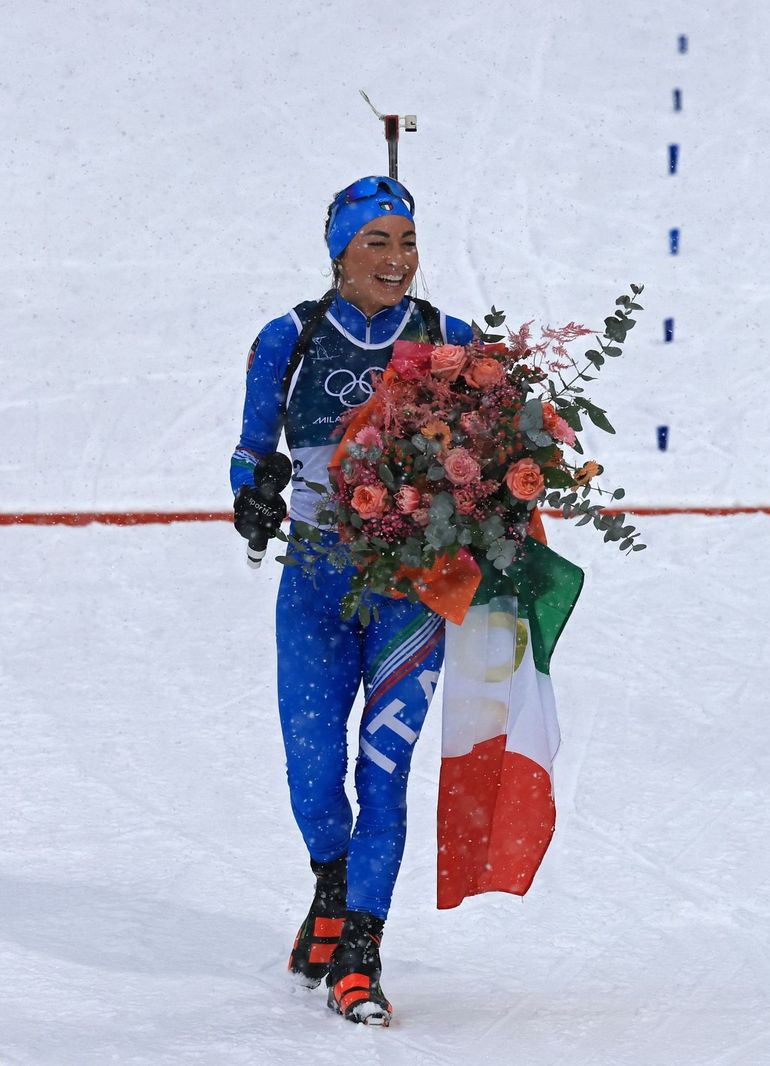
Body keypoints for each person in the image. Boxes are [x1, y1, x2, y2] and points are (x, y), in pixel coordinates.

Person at [230, 176, 474, 1026]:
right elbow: (252, 450)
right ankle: (329, 889)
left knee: (387, 771)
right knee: (311, 773)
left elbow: (493, 456)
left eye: (408, 240)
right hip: (316, 583)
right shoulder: (288, 339)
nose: (398, 258)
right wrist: (252, 494)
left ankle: (361, 951)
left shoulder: (449, 340)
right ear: (338, 250)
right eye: (378, 242)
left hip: (410, 591)